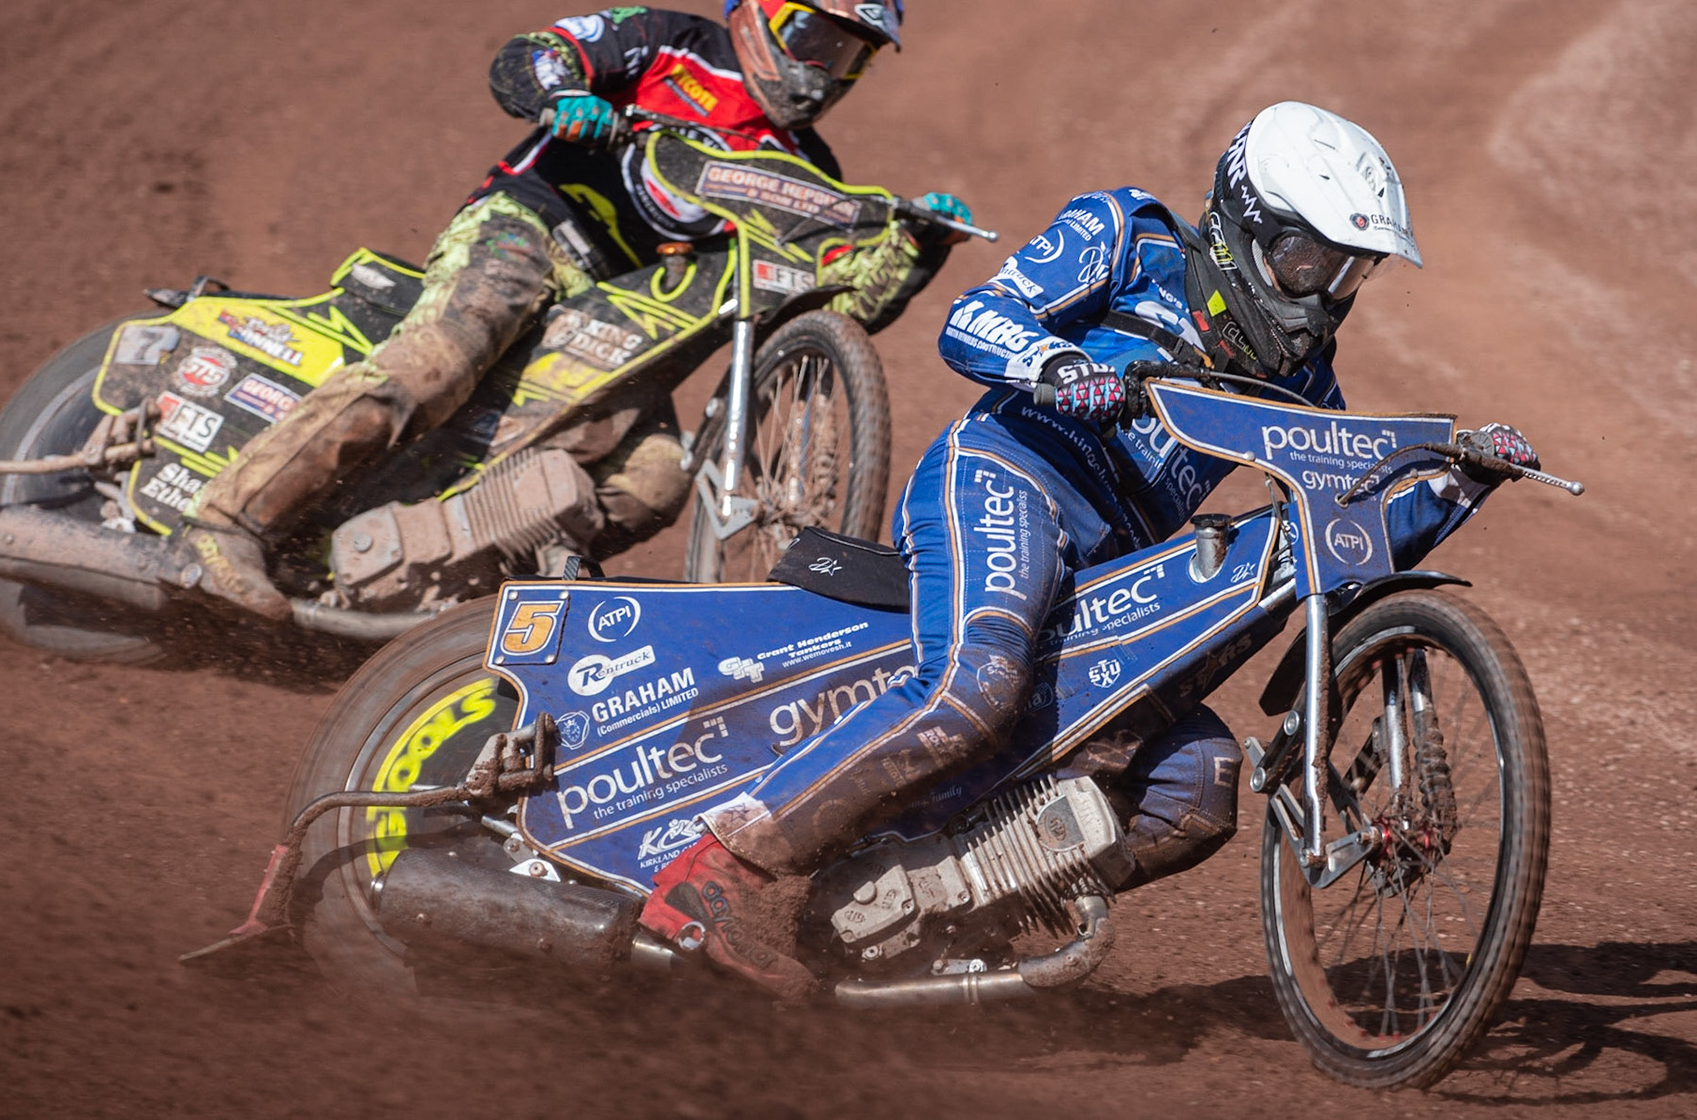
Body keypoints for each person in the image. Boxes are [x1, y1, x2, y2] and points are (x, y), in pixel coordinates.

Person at [639, 101, 1543, 999]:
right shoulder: (1128, 236)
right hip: (1008, 476)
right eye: (1311, 260)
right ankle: (721, 871)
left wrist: (1455, 485)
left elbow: (1337, 534)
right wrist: (1058, 365)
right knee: (976, 685)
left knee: (1195, 785)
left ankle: (906, 911)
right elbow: (974, 316)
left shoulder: (1306, 384)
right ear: (1246, 228)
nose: (1322, 297)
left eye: (1348, 274)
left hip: (1113, 573)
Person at [181, 0, 972, 618]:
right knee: (441, 359)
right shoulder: (668, 43)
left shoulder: (809, 167)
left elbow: (829, 309)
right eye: (816, 42)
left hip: (630, 318)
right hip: (534, 229)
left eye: (850, 58)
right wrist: (564, 96)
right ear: (758, 4)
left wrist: (915, 246)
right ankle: (228, 523)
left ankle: (420, 602)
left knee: (656, 479)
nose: (824, 72)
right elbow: (535, 53)